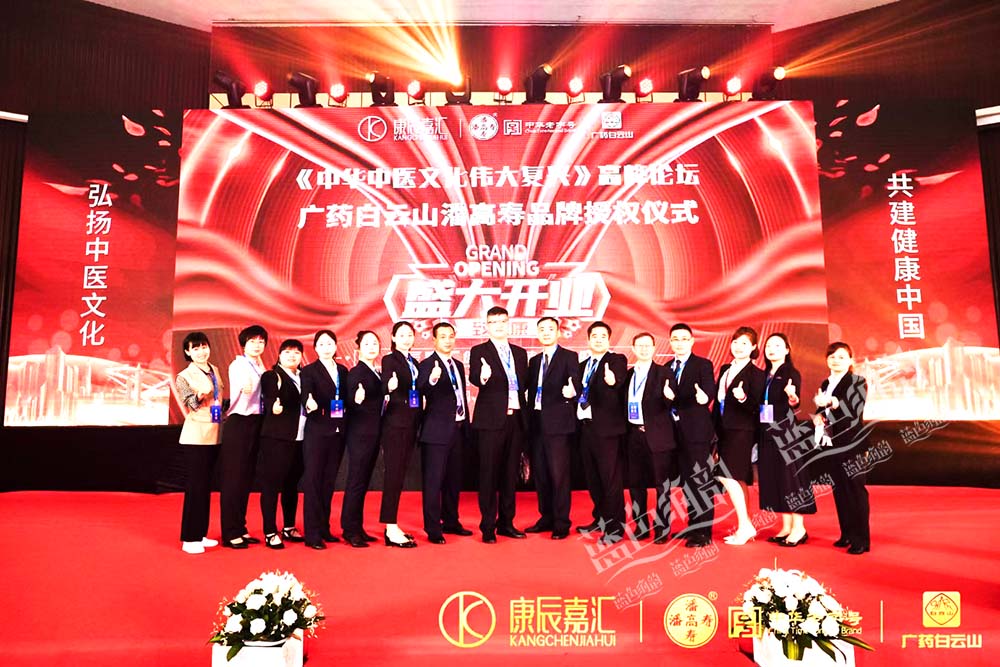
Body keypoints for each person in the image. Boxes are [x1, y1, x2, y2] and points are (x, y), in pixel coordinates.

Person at [469, 306, 529, 543]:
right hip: (491, 422)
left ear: (508, 323)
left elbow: (525, 385)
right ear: (487, 326)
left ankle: (506, 523)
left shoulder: (520, 353)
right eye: (493, 322)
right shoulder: (479, 351)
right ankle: (488, 527)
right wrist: (483, 376)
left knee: (509, 475)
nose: (499, 326)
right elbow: (475, 377)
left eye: (502, 321)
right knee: (488, 474)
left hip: (516, 420)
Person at [416, 322, 472, 544]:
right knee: (433, 482)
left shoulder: (457, 364)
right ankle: (433, 528)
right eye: (443, 336)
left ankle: (451, 521)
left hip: (458, 429)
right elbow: (421, 388)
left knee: (453, 480)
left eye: (451, 336)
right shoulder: (427, 364)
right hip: (436, 432)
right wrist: (433, 378)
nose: (448, 340)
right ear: (434, 340)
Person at [757, 332, 815, 547]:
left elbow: (794, 401)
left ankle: (799, 528)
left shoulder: (791, 372)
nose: (772, 349)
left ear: (787, 350)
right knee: (776, 478)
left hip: (786, 432)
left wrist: (792, 396)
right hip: (766, 431)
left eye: (777, 345)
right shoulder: (764, 374)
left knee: (791, 479)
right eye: (768, 345)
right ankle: (786, 526)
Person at [524, 316, 580, 540]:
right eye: (542, 329)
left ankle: (561, 522)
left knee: (559, 475)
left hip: (558, 425)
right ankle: (546, 517)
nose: (546, 332)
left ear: (558, 333)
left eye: (550, 329)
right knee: (541, 474)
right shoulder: (534, 361)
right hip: (536, 423)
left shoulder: (569, 356)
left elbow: (576, 382)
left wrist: (572, 391)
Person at [813, 341, 871, 555]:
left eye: (841, 357)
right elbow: (823, 410)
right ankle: (846, 533)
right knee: (839, 489)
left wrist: (831, 402)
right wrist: (818, 416)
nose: (835, 360)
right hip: (832, 443)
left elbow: (854, 409)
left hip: (852, 442)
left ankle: (861, 539)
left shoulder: (858, 381)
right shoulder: (826, 382)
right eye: (832, 357)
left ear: (850, 360)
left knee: (855, 489)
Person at [575, 321, 628, 544]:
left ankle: (615, 528)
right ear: (588, 340)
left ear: (609, 339)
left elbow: (619, 382)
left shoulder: (616, 361)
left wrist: (613, 381)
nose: (598, 339)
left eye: (602, 336)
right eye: (594, 336)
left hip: (607, 431)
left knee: (610, 480)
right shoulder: (582, 365)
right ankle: (601, 519)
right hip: (586, 429)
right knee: (593, 478)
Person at [713, 326, 766, 545]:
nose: (738, 346)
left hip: (742, 431)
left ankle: (745, 526)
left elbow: (758, 408)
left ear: (753, 347)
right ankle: (746, 525)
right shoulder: (726, 368)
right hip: (724, 430)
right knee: (738, 478)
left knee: (726, 475)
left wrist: (743, 398)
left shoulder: (757, 374)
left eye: (744, 343)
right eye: (735, 342)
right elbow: (719, 401)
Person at [666, 323, 717, 548]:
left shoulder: (702, 364)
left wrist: (704, 397)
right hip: (674, 433)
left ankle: (703, 532)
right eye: (675, 339)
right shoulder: (666, 367)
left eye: (684, 339)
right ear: (670, 342)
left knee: (700, 481)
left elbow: (709, 390)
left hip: (696, 432)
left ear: (692, 341)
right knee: (687, 482)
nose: (680, 343)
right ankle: (693, 525)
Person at [624, 332, 676, 544]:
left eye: (648, 345)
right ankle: (641, 526)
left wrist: (669, 398)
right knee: (635, 484)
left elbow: (671, 402)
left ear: (654, 348)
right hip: (633, 435)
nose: (644, 349)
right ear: (633, 349)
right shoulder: (628, 374)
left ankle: (663, 528)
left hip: (657, 436)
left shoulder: (664, 372)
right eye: (640, 345)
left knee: (662, 486)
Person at [299, 329, 349, 549]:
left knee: (329, 482)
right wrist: (308, 402)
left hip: (338, 432)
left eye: (330, 344)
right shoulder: (309, 371)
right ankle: (312, 534)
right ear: (316, 348)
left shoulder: (343, 371)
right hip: (317, 432)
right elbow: (306, 395)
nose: (326, 348)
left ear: (336, 346)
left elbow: (348, 397)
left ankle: (324, 527)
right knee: (313, 482)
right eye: (322, 344)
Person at [219, 324, 268, 549]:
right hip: (239, 422)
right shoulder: (238, 364)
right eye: (252, 341)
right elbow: (240, 387)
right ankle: (230, 532)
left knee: (246, 479)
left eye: (261, 341)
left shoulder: (260, 364)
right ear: (243, 344)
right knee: (234, 479)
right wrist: (243, 388)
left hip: (256, 423)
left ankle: (240, 527)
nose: (257, 345)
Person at [174, 332, 223, 555]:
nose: (201, 352)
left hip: (215, 432)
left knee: (205, 486)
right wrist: (200, 396)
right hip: (196, 436)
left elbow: (219, 398)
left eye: (204, 347)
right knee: (195, 487)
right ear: (187, 352)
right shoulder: (183, 376)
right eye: (195, 348)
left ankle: (201, 533)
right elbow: (190, 404)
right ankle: (189, 538)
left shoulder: (214, 369)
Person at [258, 339, 306, 550]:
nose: (292, 356)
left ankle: (289, 526)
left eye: (296, 352)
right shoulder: (272, 376)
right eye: (287, 352)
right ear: (279, 355)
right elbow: (270, 396)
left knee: (291, 484)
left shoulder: (304, 376)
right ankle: (270, 531)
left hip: (301, 438)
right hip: (277, 438)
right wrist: (273, 406)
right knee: (272, 485)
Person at [340, 331, 385, 548]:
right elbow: (351, 400)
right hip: (360, 435)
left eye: (375, 343)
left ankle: (357, 527)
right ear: (358, 348)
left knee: (364, 481)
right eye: (367, 343)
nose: (371, 347)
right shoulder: (356, 372)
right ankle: (350, 530)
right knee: (356, 481)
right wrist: (355, 399)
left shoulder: (377, 371)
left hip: (373, 433)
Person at [378, 321, 421, 548]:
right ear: (393, 338)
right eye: (401, 335)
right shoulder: (390, 360)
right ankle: (390, 527)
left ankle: (392, 525)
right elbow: (386, 385)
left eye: (409, 335)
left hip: (411, 424)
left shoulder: (414, 362)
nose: (406, 338)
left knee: (399, 475)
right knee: (393, 475)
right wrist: (390, 386)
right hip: (395, 425)